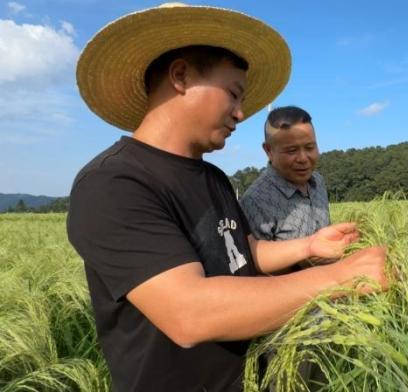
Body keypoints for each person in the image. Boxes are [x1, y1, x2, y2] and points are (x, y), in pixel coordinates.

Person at [66, 4, 388, 392]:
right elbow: (189, 312)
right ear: (181, 76)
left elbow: (244, 254)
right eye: (234, 95)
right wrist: (339, 277)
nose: (240, 113)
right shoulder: (114, 184)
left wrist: (310, 245)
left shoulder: (214, 178)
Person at [240, 106, 330, 270]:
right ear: (269, 150)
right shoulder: (256, 200)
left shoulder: (318, 182)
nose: (303, 158)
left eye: (310, 148)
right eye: (291, 150)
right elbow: (255, 271)